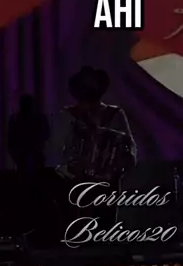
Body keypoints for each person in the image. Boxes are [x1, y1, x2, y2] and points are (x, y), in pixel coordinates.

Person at [46, 67, 137, 232]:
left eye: (92, 85)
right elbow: (55, 150)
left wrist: (118, 167)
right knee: (78, 226)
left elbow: (128, 148)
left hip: (105, 183)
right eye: (85, 85)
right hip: (75, 182)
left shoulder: (114, 114)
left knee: (103, 226)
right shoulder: (68, 115)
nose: (88, 89)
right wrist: (67, 169)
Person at [8, 94, 50, 174]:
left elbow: (11, 141)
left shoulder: (15, 120)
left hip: (29, 157)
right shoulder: (40, 118)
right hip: (25, 157)